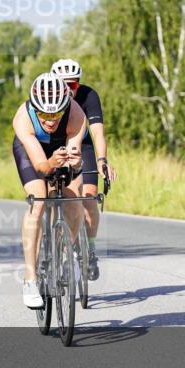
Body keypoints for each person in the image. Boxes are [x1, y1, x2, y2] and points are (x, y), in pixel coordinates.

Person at [12, 73, 86, 309]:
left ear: (66, 106)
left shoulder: (76, 115)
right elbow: (41, 166)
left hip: (60, 146)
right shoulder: (23, 118)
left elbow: (74, 160)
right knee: (39, 199)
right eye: (44, 114)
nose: (51, 120)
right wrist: (51, 163)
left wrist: (72, 163)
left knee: (74, 200)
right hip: (32, 151)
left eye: (56, 114)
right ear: (35, 108)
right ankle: (30, 279)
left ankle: (67, 254)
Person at [50, 59, 117, 280]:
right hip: (55, 147)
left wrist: (102, 160)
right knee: (57, 196)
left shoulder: (89, 96)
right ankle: (54, 248)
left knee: (88, 199)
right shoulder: (48, 97)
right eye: (64, 85)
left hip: (83, 147)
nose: (70, 90)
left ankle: (90, 249)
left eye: (74, 85)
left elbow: (98, 133)